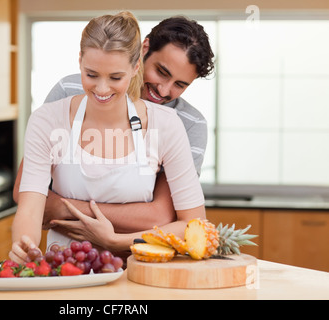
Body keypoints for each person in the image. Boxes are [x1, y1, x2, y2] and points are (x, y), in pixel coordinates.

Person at [10, 11, 206, 264]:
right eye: (91, 75)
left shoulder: (171, 124)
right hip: (65, 272)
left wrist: (110, 237)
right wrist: (24, 243)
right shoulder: (49, 116)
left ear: (134, 67)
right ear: (79, 60)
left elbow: (180, 220)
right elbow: (31, 204)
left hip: (141, 269)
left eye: (115, 78)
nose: (102, 89)